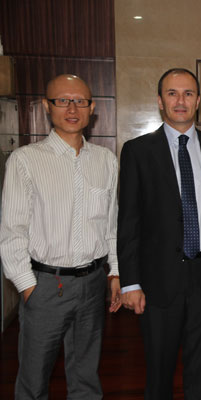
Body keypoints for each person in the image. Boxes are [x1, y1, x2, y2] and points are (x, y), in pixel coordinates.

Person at [117, 68, 201, 399]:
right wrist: (130, 282)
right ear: (160, 101)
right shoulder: (137, 151)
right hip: (157, 282)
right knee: (159, 374)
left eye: (188, 93)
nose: (180, 100)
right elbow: (128, 221)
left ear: (198, 101)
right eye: (172, 93)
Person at [0, 74, 121, 399]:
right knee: (33, 380)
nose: (72, 108)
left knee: (86, 378)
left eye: (80, 101)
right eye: (62, 100)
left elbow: (111, 224)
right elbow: (12, 231)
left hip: (93, 284)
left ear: (92, 108)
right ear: (46, 106)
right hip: (45, 286)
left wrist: (114, 271)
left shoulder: (106, 160)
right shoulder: (26, 160)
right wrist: (28, 287)